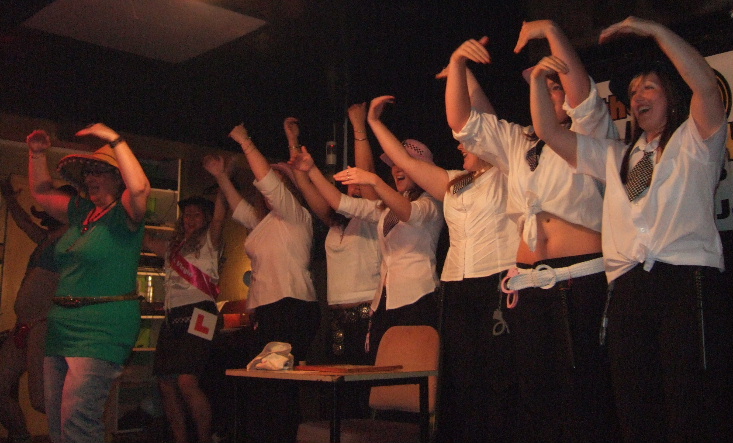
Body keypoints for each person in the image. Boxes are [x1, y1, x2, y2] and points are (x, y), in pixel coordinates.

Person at [529, 16, 733, 442]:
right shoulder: (616, 155)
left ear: (670, 96)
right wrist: (540, 80)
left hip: (681, 282)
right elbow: (548, 130)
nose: (637, 96)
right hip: (626, 290)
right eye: (633, 90)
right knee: (634, 407)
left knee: (685, 403)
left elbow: (707, 88)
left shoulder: (695, 139)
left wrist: (656, 31)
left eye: (649, 87)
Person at [445, 21, 619, 442]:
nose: (545, 89)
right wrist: (456, 64)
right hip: (526, 282)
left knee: (584, 394)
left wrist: (550, 29)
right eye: (537, 83)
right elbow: (463, 122)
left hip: (578, 278)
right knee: (536, 397)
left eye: (553, 84)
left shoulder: (591, 133)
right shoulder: (516, 142)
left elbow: (582, 94)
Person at [370, 90, 519, 443]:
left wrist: (463, 72)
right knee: (462, 381)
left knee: (497, 381)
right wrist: (374, 122)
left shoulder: (504, 171)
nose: (460, 147)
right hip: (455, 286)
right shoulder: (453, 181)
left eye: (467, 141)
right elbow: (404, 163)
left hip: (495, 281)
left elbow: (488, 118)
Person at [26, 124, 151, 443]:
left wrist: (115, 139)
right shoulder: (81, 212)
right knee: (57, 421)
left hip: (104, 325)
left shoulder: (126, 216)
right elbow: (41, 193)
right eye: (89, 171)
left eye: (101, 170)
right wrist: (37, 154)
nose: (92, 177)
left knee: (79, 419)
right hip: (62, 324)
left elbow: (139, 190)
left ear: (118, 177)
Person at [290, 117, 444, 361]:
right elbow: (342, 203)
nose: (397, 168)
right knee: (380, 377)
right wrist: (312, 171)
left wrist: (374, 180)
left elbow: (411, 214)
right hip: (384, 301)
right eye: (393, 163)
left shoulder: (431, 201)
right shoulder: (385, 207)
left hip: (418, 297)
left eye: (405, 163)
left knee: (413, 375)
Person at [204, 124, 319, 443]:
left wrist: (245, 142)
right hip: (270, 311)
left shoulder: (297, 216)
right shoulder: (264, 223)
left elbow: (269, 184)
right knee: (258, 385)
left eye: (278, 185)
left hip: (293, 307)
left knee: (274, 388)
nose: (269, 191)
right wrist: (221, 176)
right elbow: (239, 208)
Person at [285, 106, 380, 367]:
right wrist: (293, 141)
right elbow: (304, 184)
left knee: (362, 387)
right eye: (348, 179)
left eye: (356, 178)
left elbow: (368, 173)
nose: (353, 183)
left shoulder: (374, 213)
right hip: (335, 315)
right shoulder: (336, 221)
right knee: (337, 392)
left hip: (365, 313)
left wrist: (358, 126)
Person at [143, 190, 225, 443]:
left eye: (196, 215)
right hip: (173, 318)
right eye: (186, 215)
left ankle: (204, 438)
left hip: (201, 313)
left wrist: (222, 181)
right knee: (166, 383)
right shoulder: (172, 249)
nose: (189, 219)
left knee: (187, 381)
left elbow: (221, 216)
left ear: (206, 219)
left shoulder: (209, 242)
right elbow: (145, 239)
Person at [0, 179, 76, 443]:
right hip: (23, 325)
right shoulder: (47, 238)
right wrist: (9, 198)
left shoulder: (73, 238)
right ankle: (20, 435)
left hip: (42, 326)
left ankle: (76, 433)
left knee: (41, 399)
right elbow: (23, 222)